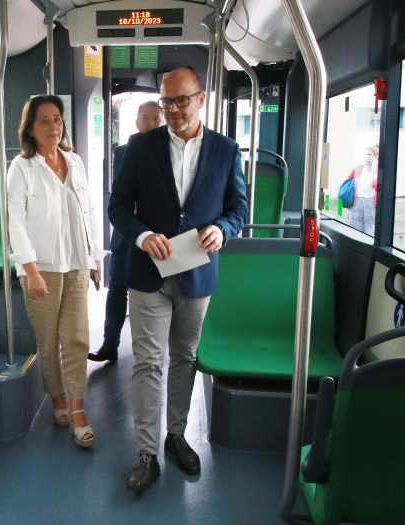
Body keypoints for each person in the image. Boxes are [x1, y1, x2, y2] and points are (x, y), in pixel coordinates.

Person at [108, 67, 248, 493]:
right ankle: (147, 453)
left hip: (196, 270)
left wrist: (223, 229)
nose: (172, 109)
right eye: (166, 101)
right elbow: (117, 206)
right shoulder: (139, 146)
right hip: (147, 271)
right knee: (148, 362)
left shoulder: (225, 150)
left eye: (181, 100)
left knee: (184, 357)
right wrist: (144, 234)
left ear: (200, 99)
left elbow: (239, 207)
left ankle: (176, 436)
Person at [5, 95, 104, 448]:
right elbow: (14, 222)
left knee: (77, 338)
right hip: (41, 267)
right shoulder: (22, 167)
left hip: (77, 263)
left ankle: (77, 408)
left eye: (58, 119)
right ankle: (57, 398)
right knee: (48, 342)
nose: (53, 126)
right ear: (31, 128)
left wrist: (95, 256)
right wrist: (30, 270)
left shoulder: (74, 161)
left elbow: (90, 211)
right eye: (44, 120)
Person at [89, 100, 163, 363]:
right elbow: (121, 196)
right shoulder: (123, 152)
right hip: (125, 233)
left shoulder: (171, 151)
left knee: (159, 292)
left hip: (159, 236)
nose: (152, 123)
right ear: (137, 121)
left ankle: (154, 350)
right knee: (117, 289)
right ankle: (110, 344)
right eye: (146, 118)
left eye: (156, 118)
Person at [345, 146, 378, 236]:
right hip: (357, 201)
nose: (366, 156)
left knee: (369, 228)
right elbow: (349, 181)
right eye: (365, 154)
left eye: (369, 154)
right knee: (354, 227)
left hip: (369, 201)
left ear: (375, 157)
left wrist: (374, 169)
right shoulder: (358, 168)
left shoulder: (377, 171)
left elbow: (375, 184)